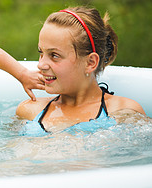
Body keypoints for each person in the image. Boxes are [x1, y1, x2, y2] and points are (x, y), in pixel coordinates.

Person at [16, 7, 145, 136]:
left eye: (54, 55)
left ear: (90, 63)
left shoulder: (123, 113)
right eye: (41, 53)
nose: (41, 65)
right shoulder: (30, 111)